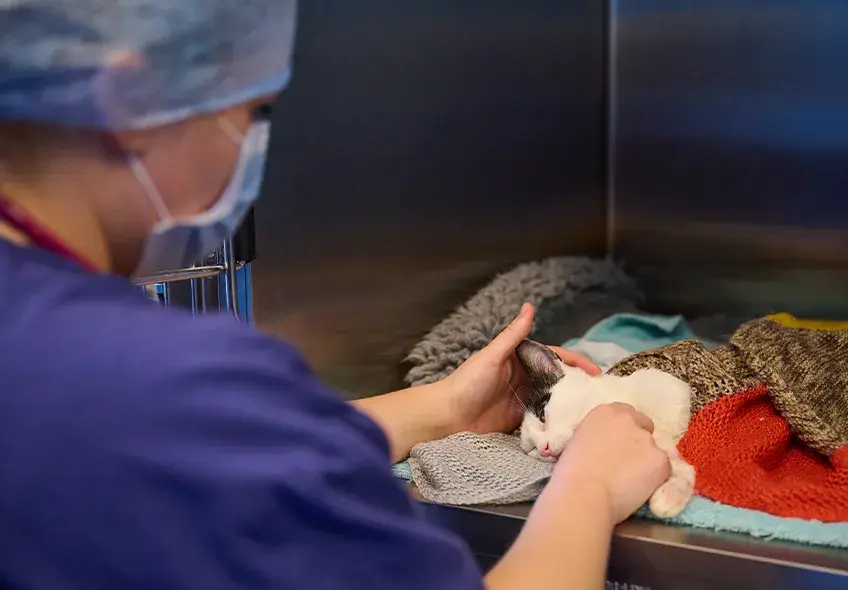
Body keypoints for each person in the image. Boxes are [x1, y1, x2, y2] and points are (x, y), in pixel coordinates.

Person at [0, 2, 671, 589]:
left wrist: (441, 409)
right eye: (253, 111)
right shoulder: (167, 387)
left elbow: (208, 456)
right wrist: (589, 485)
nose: (251, 149)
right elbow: (194, 435)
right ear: (131, 97)